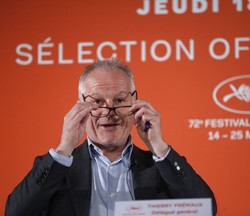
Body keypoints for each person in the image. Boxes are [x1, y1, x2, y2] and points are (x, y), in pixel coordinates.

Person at [5, 59, 217, 216]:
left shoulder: (162, 166)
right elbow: (15, 213)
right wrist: (64, 149)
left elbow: (206, 209)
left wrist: (159, 147)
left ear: (135, 102)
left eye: (119, 100)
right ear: (80, 105)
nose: (109, 111)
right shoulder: (55, 167)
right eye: (97, 102)